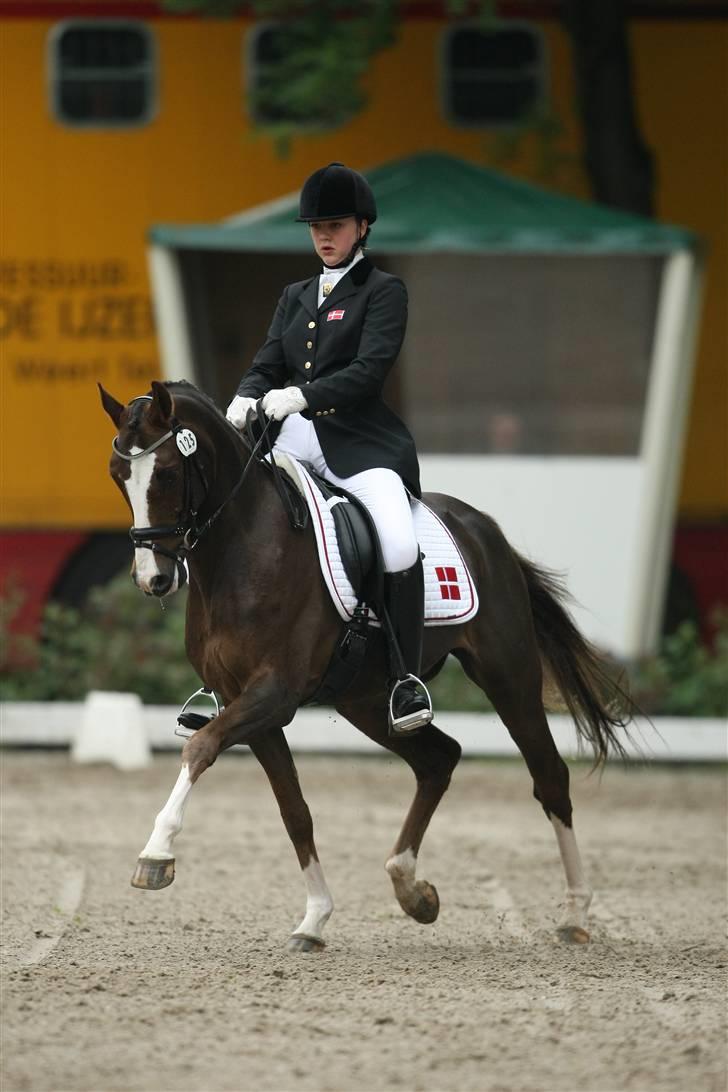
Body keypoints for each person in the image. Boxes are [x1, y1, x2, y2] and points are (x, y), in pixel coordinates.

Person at [226, 162, 432, 734]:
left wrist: (301, 396)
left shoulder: (385, 291)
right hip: (294, 437)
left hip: (362, 442)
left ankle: (404, 680)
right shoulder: (293, 296)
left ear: (362, 227)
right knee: (231, 510)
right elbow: (267, 363)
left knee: (396, 544)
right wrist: (245, 398)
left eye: (336, 224)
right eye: (316, 225)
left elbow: (369, 372)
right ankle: (218, 667)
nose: (324, 235)